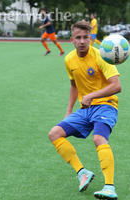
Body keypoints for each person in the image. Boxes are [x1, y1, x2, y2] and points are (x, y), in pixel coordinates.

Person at [48, 20, 121, 200]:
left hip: (106, 104)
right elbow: (74, 86)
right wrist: (68, 110)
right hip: (85, 108)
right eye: (78, 38)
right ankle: (82, 172)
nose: (82, 41)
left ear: (91, 38)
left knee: (98, 138)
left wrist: (92, 96)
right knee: (55, 133)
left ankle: (109, 187)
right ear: (72, 39)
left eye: (85, 38)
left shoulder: (101, 56)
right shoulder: (69, 59)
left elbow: (117, 86)